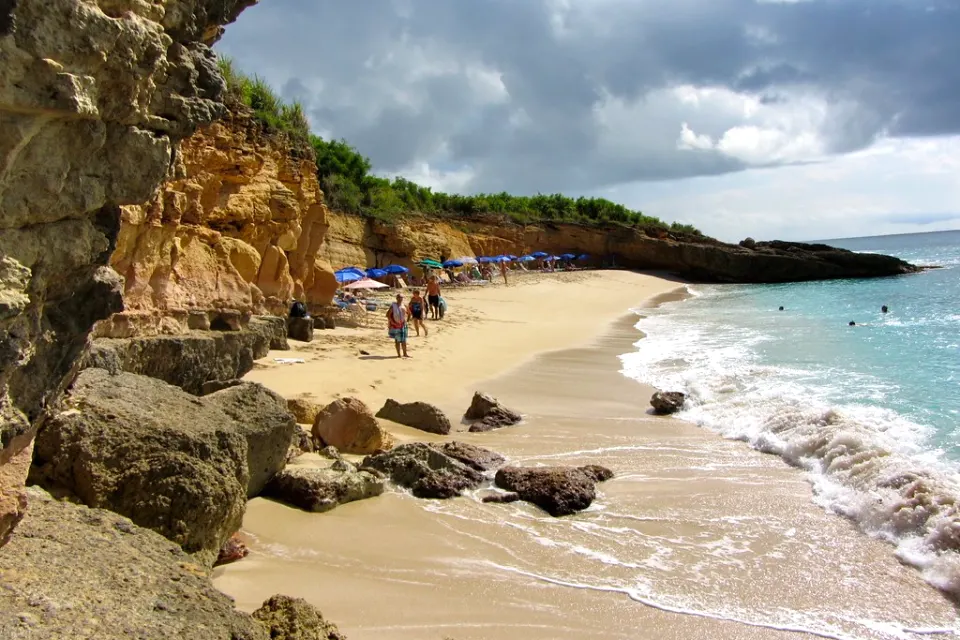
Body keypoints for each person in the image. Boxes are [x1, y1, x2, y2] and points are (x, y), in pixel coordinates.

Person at [386, 293, 410, 358]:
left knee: (404, 340)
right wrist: (392, 322)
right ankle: (399, 354)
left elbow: (409, 313)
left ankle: (405, 353)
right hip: (396, 325)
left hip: (403, 324)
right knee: (397, 340)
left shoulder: (404, 305)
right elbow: (388, 315)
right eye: (399, 297)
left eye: (401, 297)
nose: (400, 299)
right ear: (396, 298)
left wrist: (407, 320)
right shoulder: (393, 306)